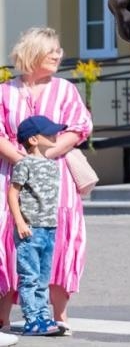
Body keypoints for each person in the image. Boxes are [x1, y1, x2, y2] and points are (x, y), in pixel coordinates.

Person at [0, 29, 91, 336]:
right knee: (7, 238)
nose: (58, 54)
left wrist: (46, 154)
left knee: (59, 239)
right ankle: (3, 316)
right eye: (52, 49)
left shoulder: (65, 89)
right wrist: (22, 160)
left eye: (59, 49)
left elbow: (79, 127)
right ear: (34, 52)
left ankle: (59, 314)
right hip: (11, 175)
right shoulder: (5, 92)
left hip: (56, 177)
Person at [8, 117, 64, 337]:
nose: (54, 135)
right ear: (33, 139)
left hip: (49, 228)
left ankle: (42, 316)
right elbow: (13, 194)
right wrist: (20, 221)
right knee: (30, 276)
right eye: (48, 133)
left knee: (43, 278)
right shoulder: (24, 164)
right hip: (30, 229)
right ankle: (32, 319)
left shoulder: (52, 165)